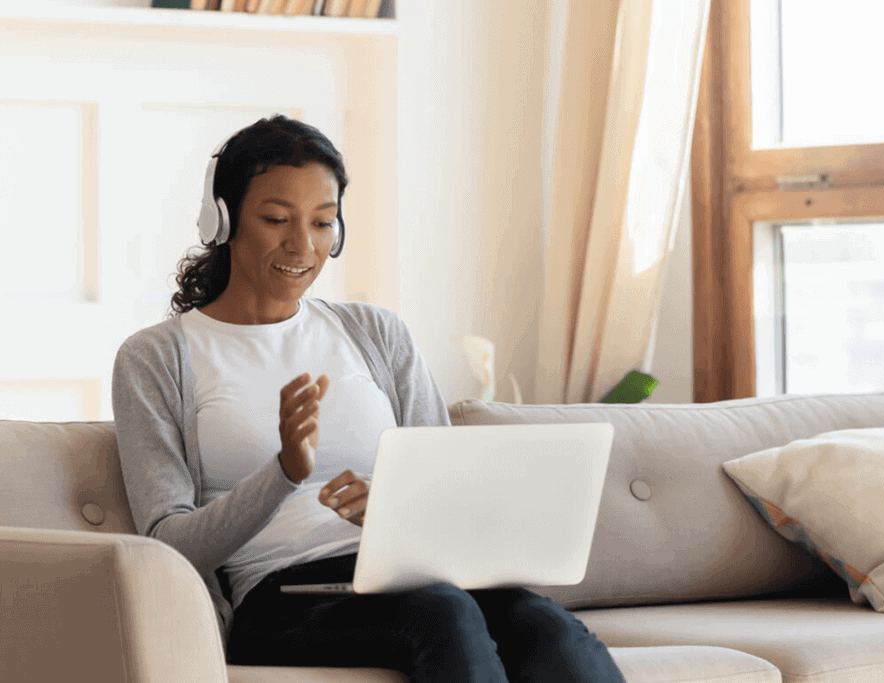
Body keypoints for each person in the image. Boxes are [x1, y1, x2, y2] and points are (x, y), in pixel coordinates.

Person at [112, 114, 626, 683]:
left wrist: (388, 507)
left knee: (544, 626)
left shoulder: (376, 334)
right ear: (223, 219)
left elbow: (447, 487)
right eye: (277, 219)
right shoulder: (157, 357)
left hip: (408, 578)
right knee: (443, 613)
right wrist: (283, 471)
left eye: (323, 223)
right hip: (279, 597)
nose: (302, 245)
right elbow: (167, 546)